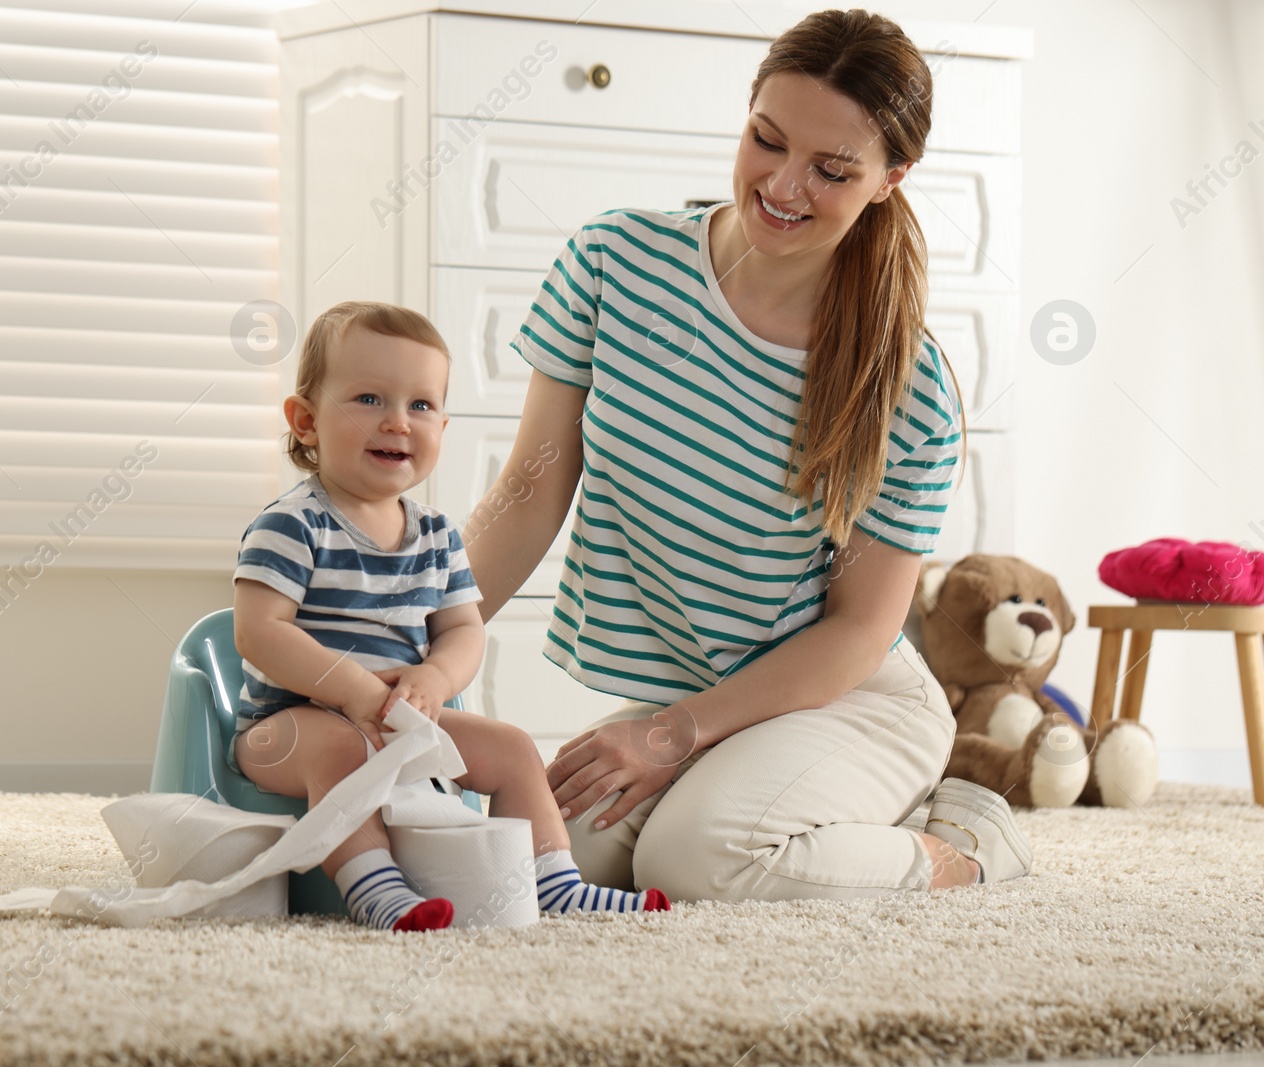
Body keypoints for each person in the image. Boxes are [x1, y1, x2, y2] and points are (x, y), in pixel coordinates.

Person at [463, 9, 1034, 904]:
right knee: (521, 860)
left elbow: (857, 630)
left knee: (696, 862)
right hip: (708, 698)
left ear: (892, 180)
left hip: (850, 698)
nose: (783, 183)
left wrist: (670, 737)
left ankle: (962, 841)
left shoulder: (911, 386)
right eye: (767, 140)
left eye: (832, 169)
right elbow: (530, 491)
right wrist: (416, 642)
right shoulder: (615, 261)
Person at [229, 300, 671, 932]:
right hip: (286, 731)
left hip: (399, 721)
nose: (398, 423)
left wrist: (435, 679)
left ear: (443, 423)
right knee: (337, 748)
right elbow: (259, 632)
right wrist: (352, 691)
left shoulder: (435, 535)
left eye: (420, 406)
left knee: (516, 750)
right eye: (368, 399)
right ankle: (375, 889)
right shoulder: (292, 524)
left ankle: (554, 883)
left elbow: (463, 629)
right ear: (306, 421)